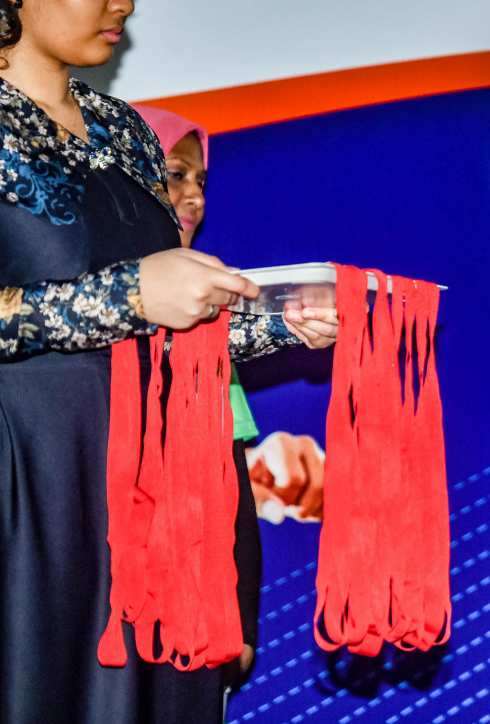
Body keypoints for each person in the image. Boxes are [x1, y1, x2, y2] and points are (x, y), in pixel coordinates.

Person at [0, 0, 335, 723]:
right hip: (33, 482)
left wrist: (283, 323)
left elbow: (175, 324)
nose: (125, 3)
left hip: (160, 484)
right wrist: (124, 298)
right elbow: (129, 300)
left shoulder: (130, 131)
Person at [130, 104, 336, 687]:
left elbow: (227, 487)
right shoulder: (82, 299)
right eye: (174, 173)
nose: (193, 196)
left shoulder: (208, 300)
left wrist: (240, 617)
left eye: (200, 181)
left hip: (196, 595)